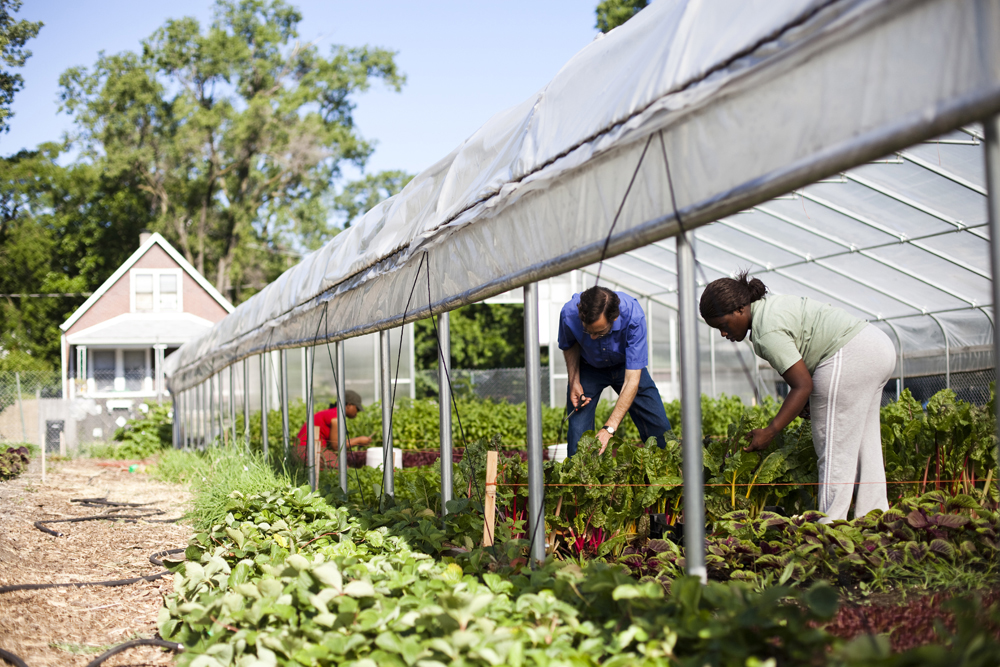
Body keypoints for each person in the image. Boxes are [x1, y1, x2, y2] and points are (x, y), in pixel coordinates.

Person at [699, 270, 895, 522]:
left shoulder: (765, 331)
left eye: (723, 326)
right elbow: (803, 369)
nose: (723, 334)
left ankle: (830, 527)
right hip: (876, 346)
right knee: (865, 443)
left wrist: (770, 431)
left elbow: (802, 386)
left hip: (850, 354)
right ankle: (874, 517)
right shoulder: (769, 308)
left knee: (834, 449)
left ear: (740, 309)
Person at [558, 285, 671, 456]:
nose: (593, 337)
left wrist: (608, 429)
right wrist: (574, 380)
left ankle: (668, 474)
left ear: (615, 318)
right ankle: (583, 481)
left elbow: (632, 380)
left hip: (627, 366)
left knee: (660, 427)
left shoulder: (633, 315)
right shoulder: (568, 314)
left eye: (600, 332)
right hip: (588, 366)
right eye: (588, 332)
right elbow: (570, 344)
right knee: (577, 437)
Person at [296, 389, 372, 468]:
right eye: (357, 408)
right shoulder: (336, 418)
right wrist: (359, 441)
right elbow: (336, 446)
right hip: (307, 451)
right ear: (349, 405)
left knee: (335, 471)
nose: (358, 412)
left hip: (302, 451)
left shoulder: (331, 413)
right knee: (344, 471)